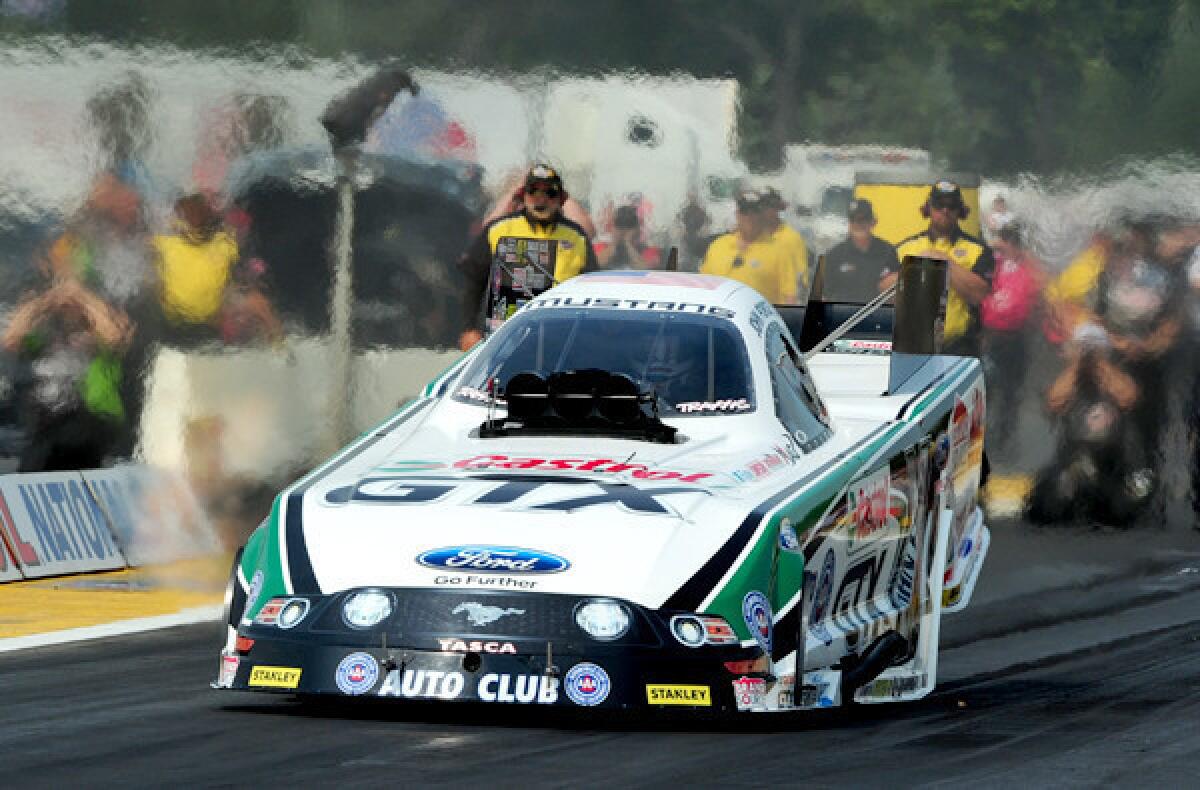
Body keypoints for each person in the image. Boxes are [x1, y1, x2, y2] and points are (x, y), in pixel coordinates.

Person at [457, 164, 597, 351]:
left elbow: (593, 288)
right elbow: (473, 279)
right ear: (523, 195)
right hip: (506, 334)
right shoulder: (499, 229)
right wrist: (469, 328)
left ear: (561, 199)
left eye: (550, 193)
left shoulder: (576, 237)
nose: (542, 199)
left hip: (562, 335)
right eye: (533, 191)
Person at [2, 277, 131, 471]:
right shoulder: (46, 334)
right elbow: (12, 338)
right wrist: (46, 301)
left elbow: (114, 337)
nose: (69, 308)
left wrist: (82, 296)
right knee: (33, 463)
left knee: (67, 444)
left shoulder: (98, 337)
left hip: (91, 417)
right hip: (47, 422)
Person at [890, 180, 994, 356]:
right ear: (928, 208)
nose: (945, 211)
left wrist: (944, 262)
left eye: (951, 206)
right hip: (913, 344)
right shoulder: (905, 248)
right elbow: (884, 292)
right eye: (939, 205)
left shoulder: (978, 249)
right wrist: (915, 266)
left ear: (960, 211)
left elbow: (980, 294)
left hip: (960, 346)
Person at [980, 223, 1046, 459]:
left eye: (1009, 241)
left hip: (1016, 339)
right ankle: (983, 439)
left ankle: (1004, 440)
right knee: (986, 391)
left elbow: (1039, 297)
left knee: (1010, 393)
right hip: (990, 337)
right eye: (1003, 240)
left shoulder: (1029, 268)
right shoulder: (993, 264)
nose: (1004, 246)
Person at [700, 188, 802, 305]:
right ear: (737, 214)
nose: (750, 217)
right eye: (745, 211)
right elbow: (704, 287)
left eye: (755, 211)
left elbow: (789, 297)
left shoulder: (780, 251)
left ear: (763, 215)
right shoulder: (717, 246)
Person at [822, 198, 899, 298]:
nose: (858, 224)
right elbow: (825, 297)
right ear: (849, 223)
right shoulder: (834, 255)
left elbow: (898, 290)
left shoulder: (887, 251)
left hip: (880, 313)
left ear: (873, 222)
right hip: (844, 313)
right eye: (853, 219)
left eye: (863, 219)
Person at [762, 188, 810, 299]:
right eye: (762, 207)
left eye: (770, 207)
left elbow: (801, 277)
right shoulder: (755, 237)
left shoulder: (792, 238)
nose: (766, 211)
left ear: (778, 209)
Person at [595, 205, 661, 269]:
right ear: (612, 227)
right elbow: (593, 266)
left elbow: (646, 271)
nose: (624, 230)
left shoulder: (648, 251)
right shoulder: (601, 248)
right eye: (619, 224)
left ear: (638, 229)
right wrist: (615, 242)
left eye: (630, 225)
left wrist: (628, 243)